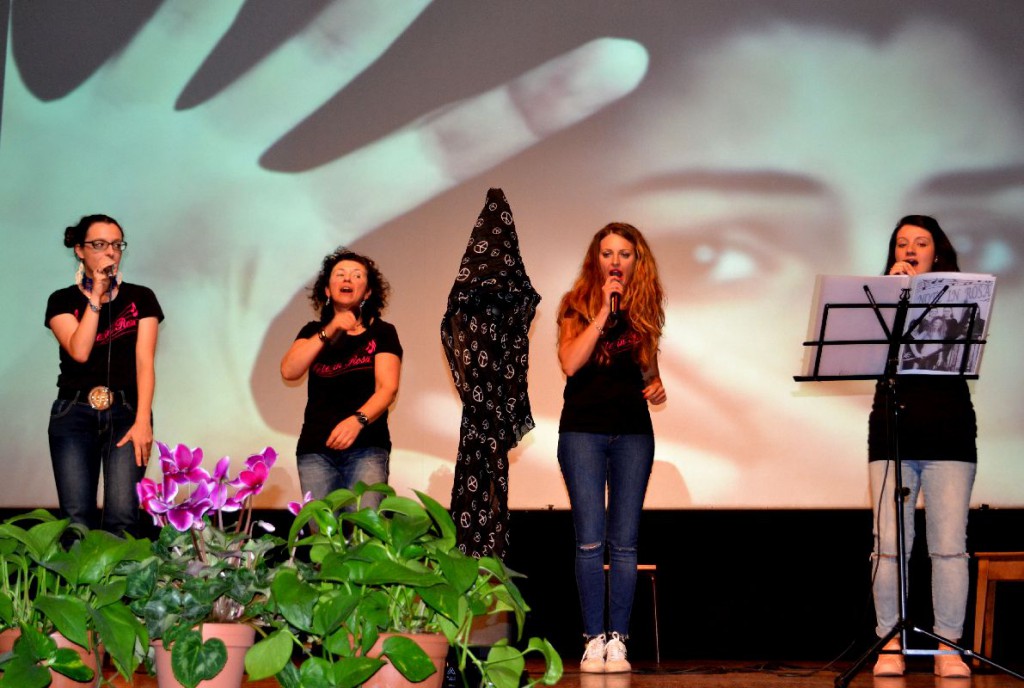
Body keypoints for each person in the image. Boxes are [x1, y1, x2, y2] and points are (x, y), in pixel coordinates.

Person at [556, 223, 667, 673]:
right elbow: (570, 362)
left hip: (633, 435)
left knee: (624, 544)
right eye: (607, 253)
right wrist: (603, 311)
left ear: (637, 261)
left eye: (624, 254)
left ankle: (618, 639)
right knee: (589, 541)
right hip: (582, 432)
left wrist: (656, 386)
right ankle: (593, 639)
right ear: (595, 259)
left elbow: (648, 372)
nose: (616, 261)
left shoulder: (645, 309)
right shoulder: (576, 304)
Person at [868, 215, 975, 679]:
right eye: (901, 243)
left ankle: (949, 648)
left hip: (949, 430)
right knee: (889, 546)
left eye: (921, 242)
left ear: (937, 253)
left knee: (949, 547)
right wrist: (896, 298)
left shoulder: (961, 301)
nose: (909, 250)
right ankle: (890, 642)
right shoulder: (876, 301)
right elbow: (868, 358)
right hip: (891, 430)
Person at [45, 214, 163, 536]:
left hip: (127, 414)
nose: (110, 252)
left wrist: (143, 421)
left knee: (123, 517)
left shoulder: (142, 298)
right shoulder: (61, 300)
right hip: (74, 414)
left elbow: (145, 363)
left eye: (116, 245)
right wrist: (95, 297)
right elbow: (80, 350)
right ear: (79, 250)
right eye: (99, 244)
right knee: (76, 521)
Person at [280, 248, 402, 510]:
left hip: (366, 448)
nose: (347, 279)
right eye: (340, 274)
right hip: (316, 451)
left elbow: (387, 388)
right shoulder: (312, 332)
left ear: (367, 292)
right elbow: (289, 370)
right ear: (327, 290)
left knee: (364, 529)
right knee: (323, 532)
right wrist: (332, 327)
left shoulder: (382, 332)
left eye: (357, 275)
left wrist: (357, 421)